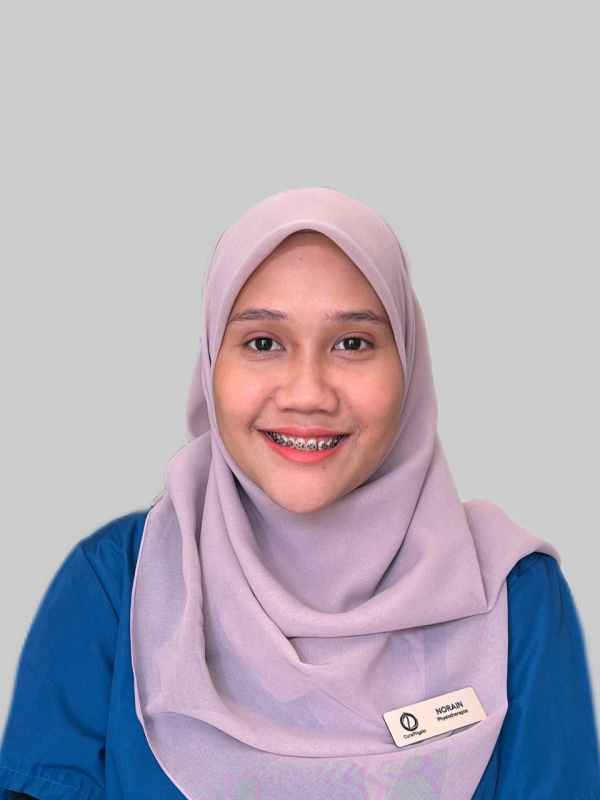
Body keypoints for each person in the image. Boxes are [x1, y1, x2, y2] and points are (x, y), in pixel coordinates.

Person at [1, 187, 598, 800]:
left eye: (353, 343)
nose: (307, 393)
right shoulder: (114, 589)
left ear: (409, 365)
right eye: (263, 343)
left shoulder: (513, 600)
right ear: (211, 362)